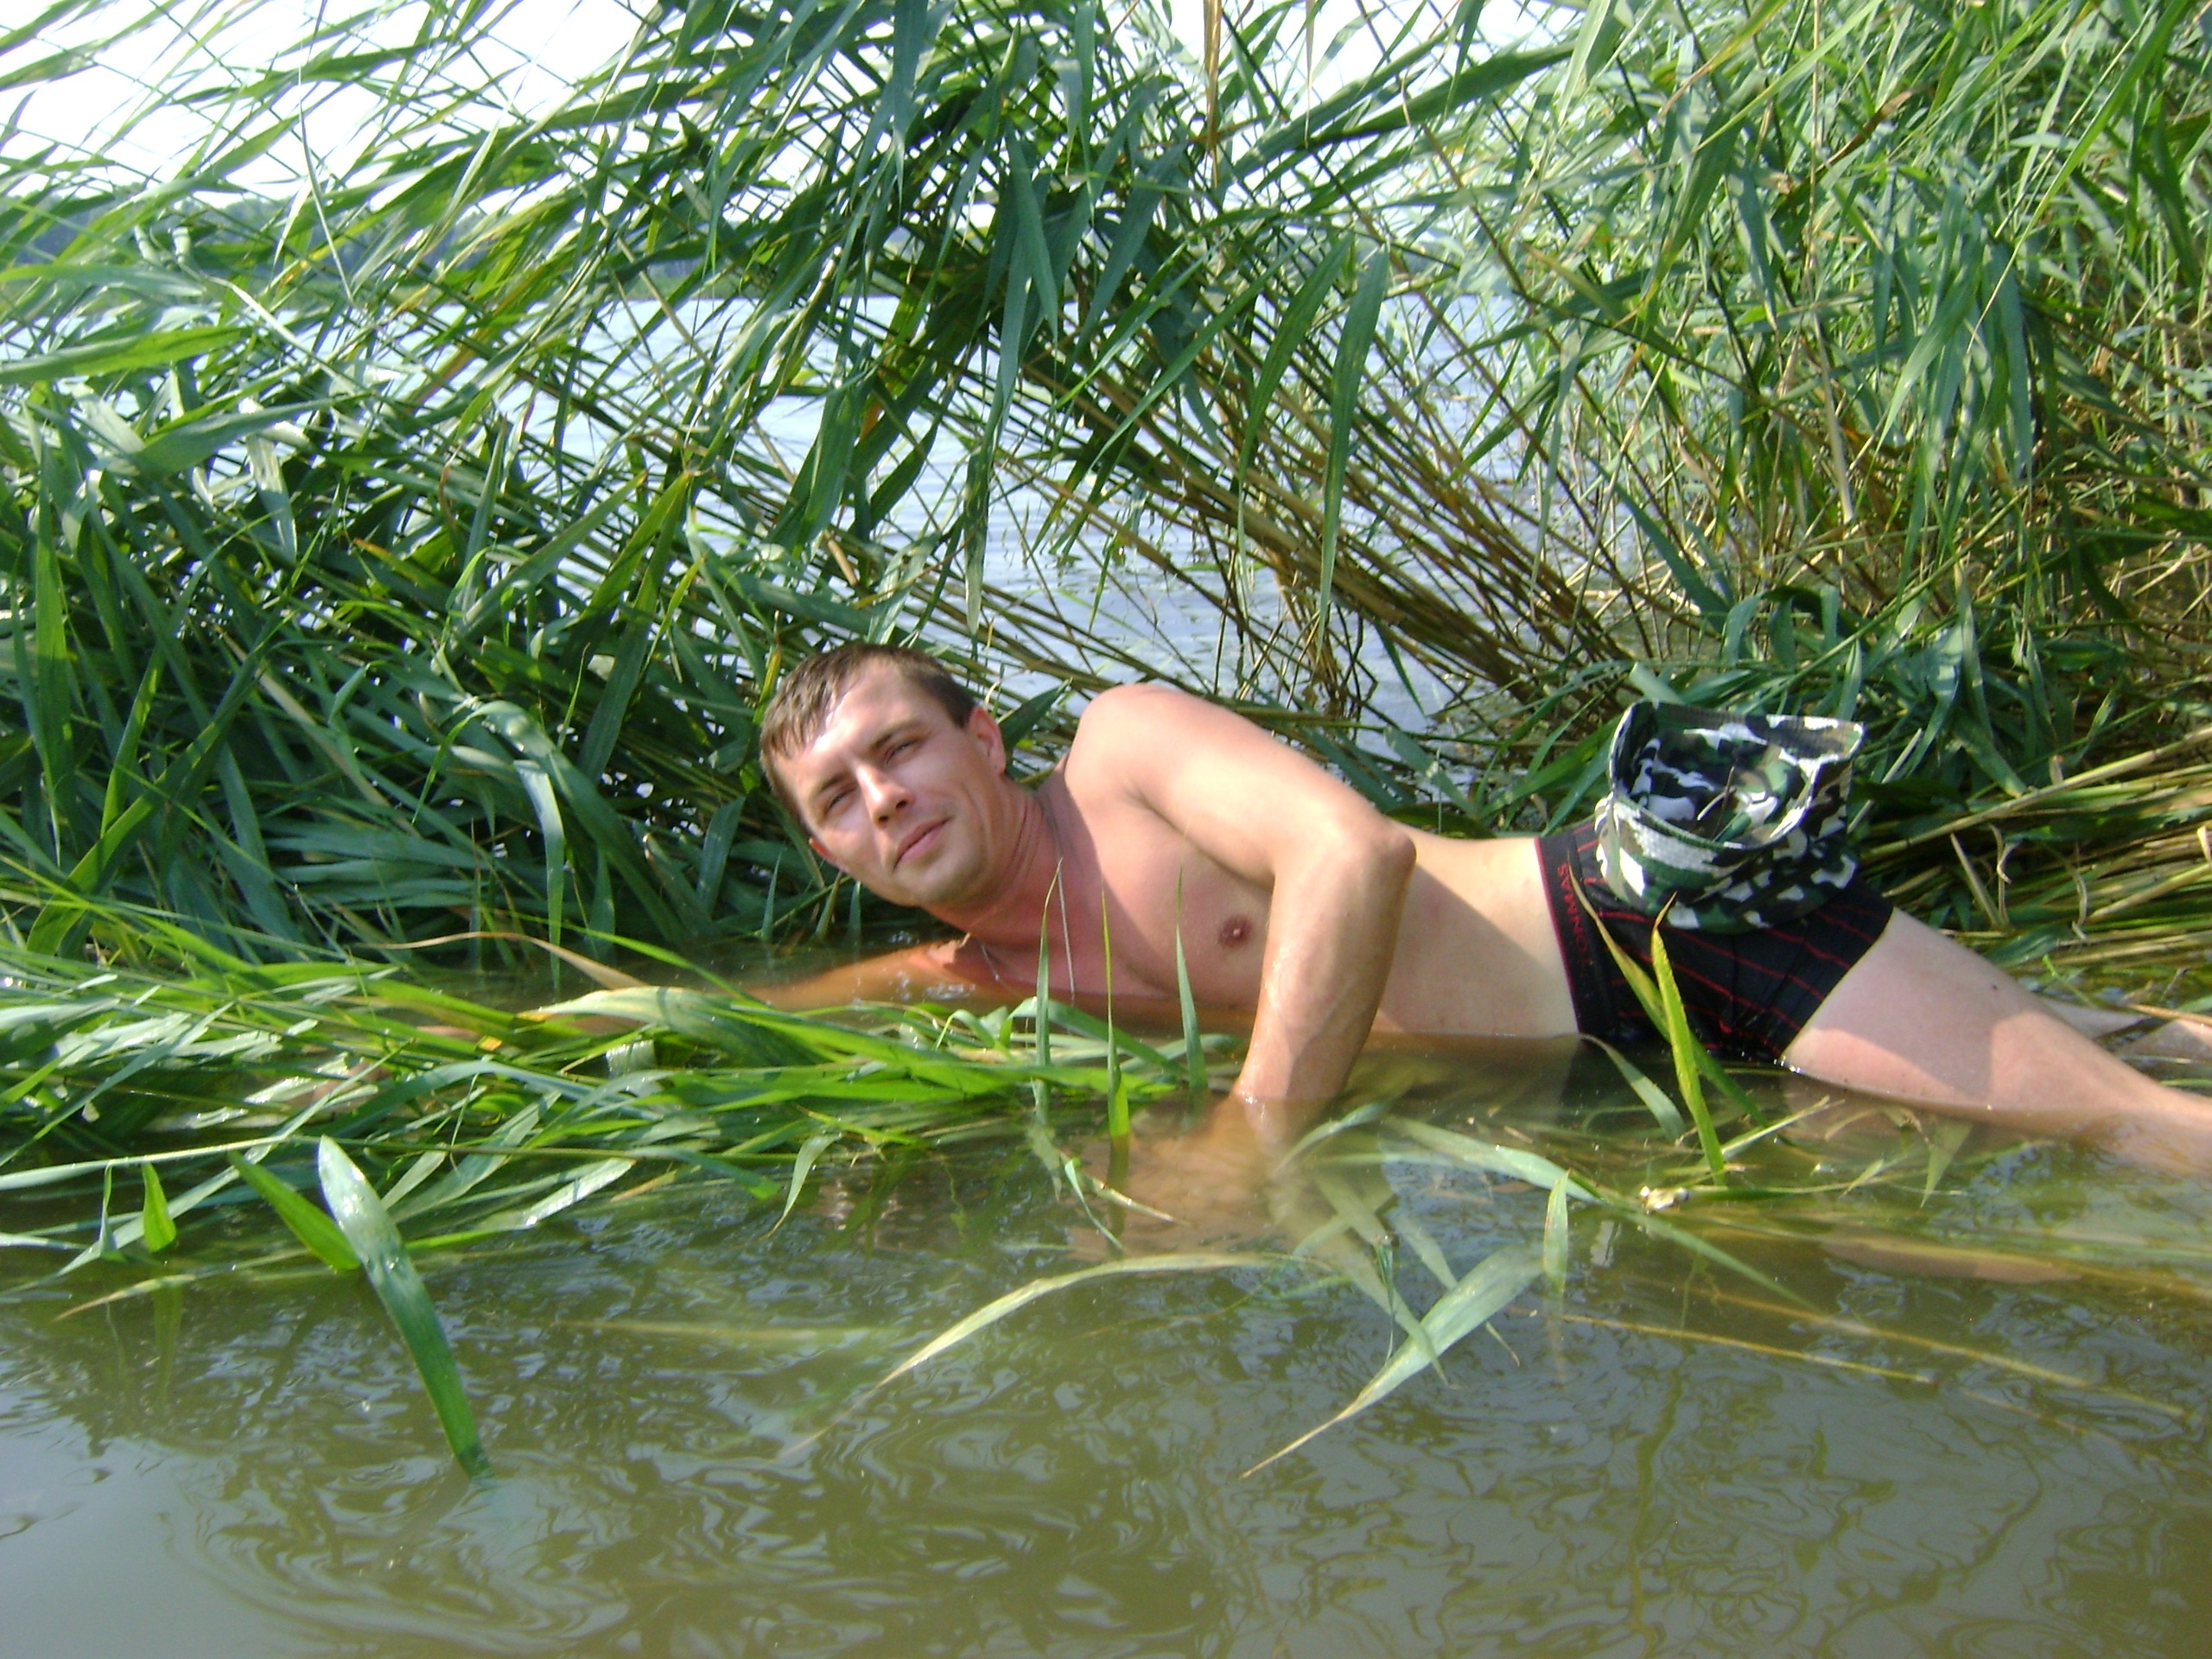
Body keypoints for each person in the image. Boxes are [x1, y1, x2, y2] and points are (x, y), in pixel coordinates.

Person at [753, 642, 2212, 1190]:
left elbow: (1351, 855)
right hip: (1625, 1075)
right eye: (840, 799)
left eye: (901, 748)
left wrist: (1252, 1139)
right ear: (832, 854)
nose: (885, 799)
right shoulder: (981, 975)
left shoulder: (1121, 752)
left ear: (983, 738)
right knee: (2136, 1048)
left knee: (2143, 1136)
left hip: (1647, 933)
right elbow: (753, 1017)